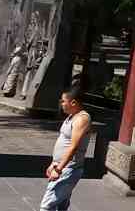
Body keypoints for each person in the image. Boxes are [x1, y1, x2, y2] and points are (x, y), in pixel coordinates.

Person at [41, 82, 92, 211]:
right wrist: (54, 163)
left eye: (63, 101)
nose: (61, 104)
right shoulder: (71, 116)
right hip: (62, 166)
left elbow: (73, 147)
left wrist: (59, 169)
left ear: (73, 102)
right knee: (61, 205)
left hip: (68, 168)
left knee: (46, 206)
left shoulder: (81, 119)